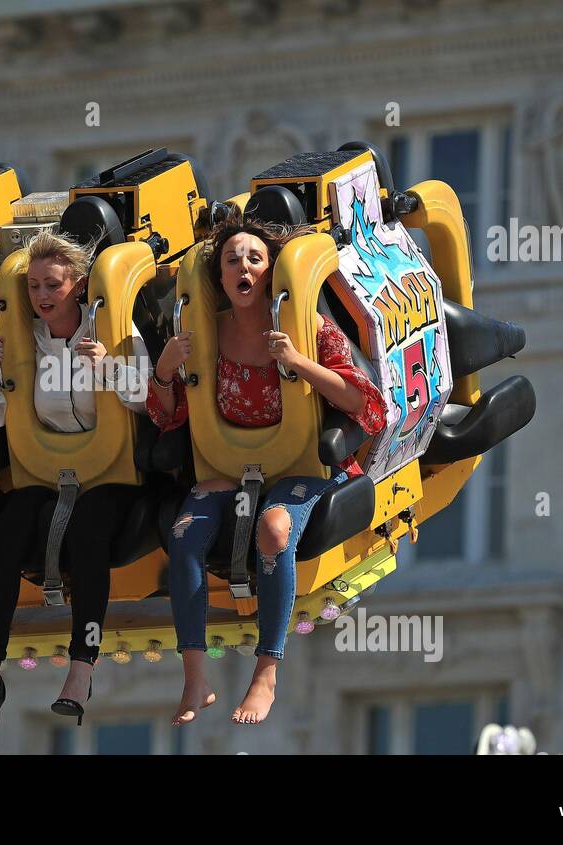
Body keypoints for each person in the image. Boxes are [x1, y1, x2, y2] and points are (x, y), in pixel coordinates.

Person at [148, 213, 387, 726]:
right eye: (232, 259)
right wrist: (166, 369)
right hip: (229, 462)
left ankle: (266, 673)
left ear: (272, 270)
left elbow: (367, 406)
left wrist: (300, 362)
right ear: (219, 276)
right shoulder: (204, 335)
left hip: (300, 463)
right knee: (185, 534)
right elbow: (168, 415)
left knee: (274, 531)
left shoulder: (309, 327)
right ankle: (196, 678)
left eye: (255, 258)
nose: (244, 267)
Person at [0, 229, 152, 729]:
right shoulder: (27, 338)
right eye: (35, 286)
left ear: (79, 285)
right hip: (48, 469)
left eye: (54, 285)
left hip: (112, 473)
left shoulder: (115, 327)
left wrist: (107, 365)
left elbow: (146, 397)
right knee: (6, 532)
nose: (42, 296)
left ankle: (82, 668)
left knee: (89, 530)